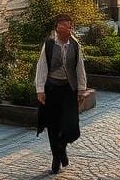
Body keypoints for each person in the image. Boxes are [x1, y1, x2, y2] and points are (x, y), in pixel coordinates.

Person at [35, 14, 88, 174]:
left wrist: (81, 89)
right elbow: (42, 67)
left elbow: (79, 67)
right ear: (58, 27)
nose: (69, 27)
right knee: (53, 125)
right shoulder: (49, 44)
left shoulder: (75, 44)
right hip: (52, 89)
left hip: (68, 90)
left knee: (71, 126)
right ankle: (56, 157)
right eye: (66, 24)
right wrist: (40, 90)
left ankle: (61, 146)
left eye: (70, 25)